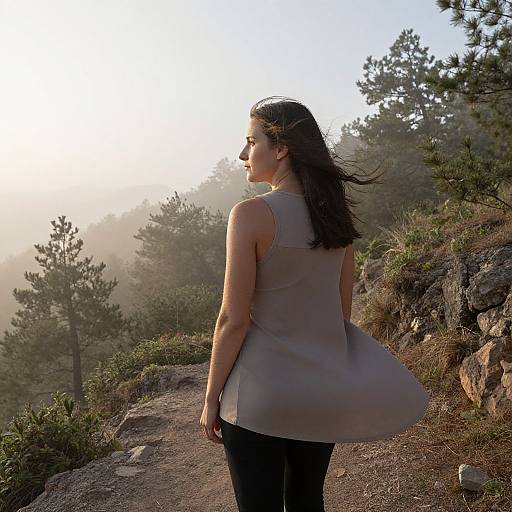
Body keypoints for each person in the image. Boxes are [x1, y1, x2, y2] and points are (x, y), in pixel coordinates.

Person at [199, 96, 429, 512]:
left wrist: (211, 395)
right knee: (308, 501)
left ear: (281, 148)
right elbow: (340, 317)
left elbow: (232, 319)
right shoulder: (335, 219)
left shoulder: (250, 214)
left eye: (251, 142)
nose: (242, 154)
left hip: (258, 397)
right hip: (319, 393)